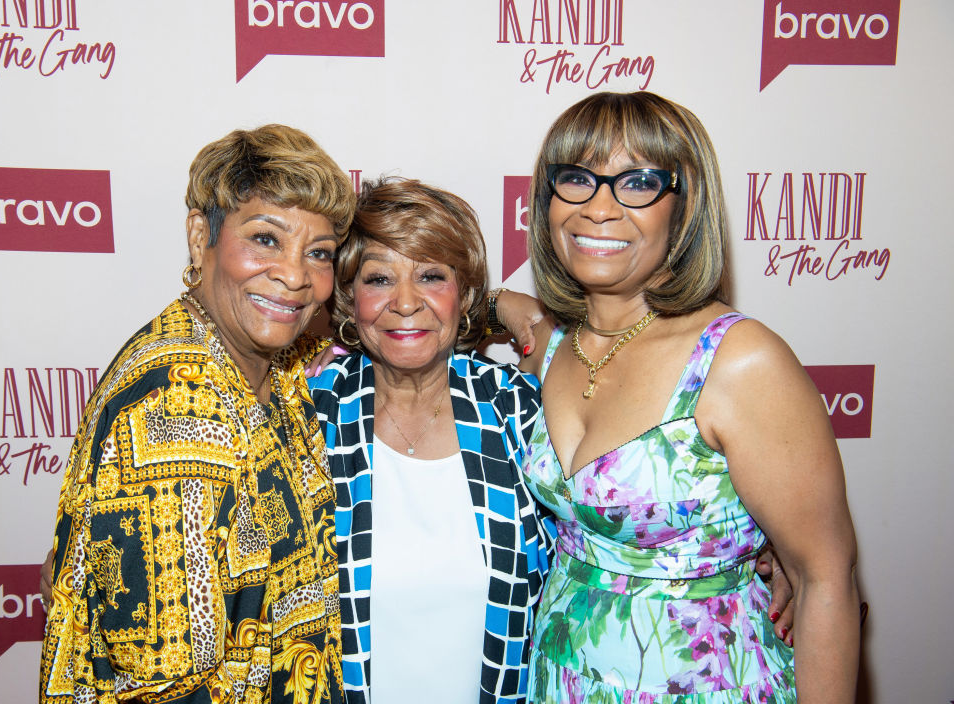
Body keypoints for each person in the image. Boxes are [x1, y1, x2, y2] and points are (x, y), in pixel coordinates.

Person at [512, 91, 860, 702]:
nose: (598, 208)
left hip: (705, 684)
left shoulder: (738, 360)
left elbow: (824, 580)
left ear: (685, 205)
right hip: (559, 677)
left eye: (638, 183)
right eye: (576, 179)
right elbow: (446, 303)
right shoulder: (553, 344)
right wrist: (492, 302)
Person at [39, 124, 355, 703]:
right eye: (265, 239)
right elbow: (169, 688)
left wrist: (489, 307)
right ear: (198, 236)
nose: (295, 275)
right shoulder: (177, 411)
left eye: (319, 253)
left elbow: (395, 319)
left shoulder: (272, 367)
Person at [307, 177, 551, 704]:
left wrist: (503, 305)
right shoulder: (310, 413)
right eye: (379, 279)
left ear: (465, 294)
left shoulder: (515, 408)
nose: (405, 303)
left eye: (431, 276)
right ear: (349, 298)